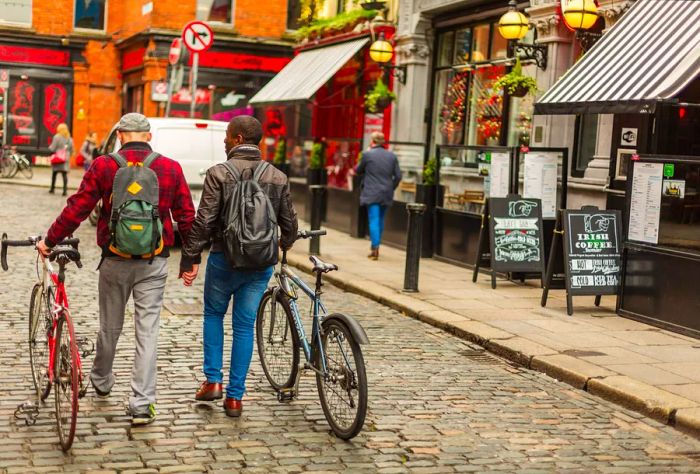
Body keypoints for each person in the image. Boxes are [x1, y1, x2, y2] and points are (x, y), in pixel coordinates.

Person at [38, 113, 196, 426]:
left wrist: (51, 238)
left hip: (113, 258)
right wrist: (190, 260)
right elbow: (187, 217)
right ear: (148, 136)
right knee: (147, 331)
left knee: (110, 326)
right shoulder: (170, 168)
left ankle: (101, 378)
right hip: (155, 260)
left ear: (121, 135)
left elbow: (78, 207)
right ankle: (141, 403)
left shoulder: (104, 165)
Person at [180, 115, 298, 418]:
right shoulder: (277, 176)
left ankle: (213, 381)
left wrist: (191, 258)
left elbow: (204, 220)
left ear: (237, 139)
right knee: (244, 326)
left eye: (226, 136)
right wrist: (280, 244)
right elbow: (290, 226)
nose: (223, 141)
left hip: (224, 258)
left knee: (214, 315)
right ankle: (235, 398)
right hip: (260, 265)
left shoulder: (219, 173)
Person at [355, 131, 402, 260]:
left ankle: (375, 247)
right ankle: (376, 245)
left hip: (372, 192)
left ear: (372, 141)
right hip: (386, 192)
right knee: (380, 220)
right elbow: (398, 176)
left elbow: (357, 170)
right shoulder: (392, 156)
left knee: (374, 219)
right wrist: (391, 187)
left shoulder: (367, 154)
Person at [49, 123, 74, 196]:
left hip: (57, 157)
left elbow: (53, 148)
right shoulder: (69, 138)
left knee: (54, 173)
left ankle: (52, 189)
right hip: (65, 158)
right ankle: (65, 191)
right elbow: (72, 149)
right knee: (64, 174)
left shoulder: (56, 137)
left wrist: (50, 148)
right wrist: (68, 154)